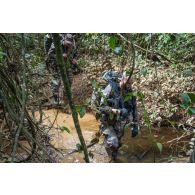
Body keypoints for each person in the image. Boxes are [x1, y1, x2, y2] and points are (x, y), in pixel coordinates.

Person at [91, 70, 139, 161]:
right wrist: (118, 111)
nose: (130, 84)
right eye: (128, 82)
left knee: (117, 144)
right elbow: (101, 107)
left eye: (131, 82)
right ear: (122, 79)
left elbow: (134, 109)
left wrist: (136, 125)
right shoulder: (111, 88)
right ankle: (111, 159)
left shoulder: (131, 93)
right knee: (113, 142)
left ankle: (113, 157)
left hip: (119, 122)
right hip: (107, 120)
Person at [44, 33, 80, 105]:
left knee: (70, 79)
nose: (68, 45)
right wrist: (60, 56)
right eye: (67, 43)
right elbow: (50, 54)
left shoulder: (72, 45)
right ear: (64, 40)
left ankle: (65, 97)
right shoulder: (57, 44)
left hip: (67, 64)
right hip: (56, 64)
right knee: (57, 80)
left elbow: (75, 54)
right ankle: (55, 99)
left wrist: (75, 59)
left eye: (70, 43)